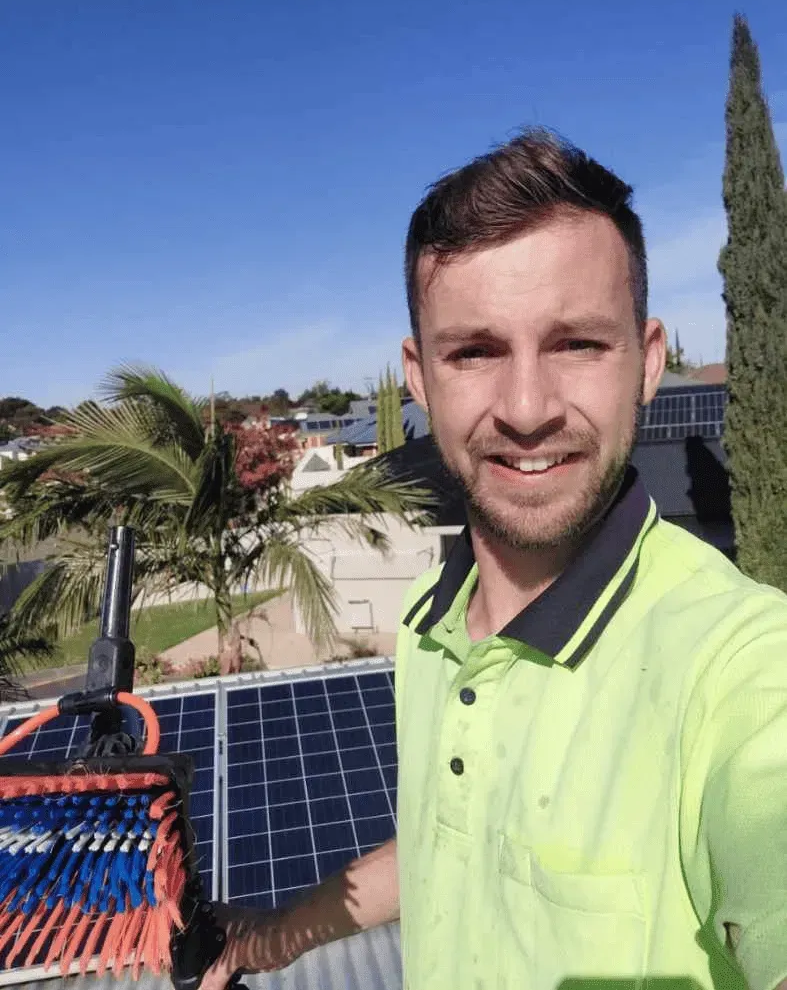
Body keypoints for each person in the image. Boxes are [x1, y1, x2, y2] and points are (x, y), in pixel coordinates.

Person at [202, 129, 787, 990]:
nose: (524, 408)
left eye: (576, 343)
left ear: (648, 360)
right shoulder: (427, 623)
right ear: (419, 377)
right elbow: (453, 843)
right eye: (474, 351)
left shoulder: (739, 665)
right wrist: (271, 938)